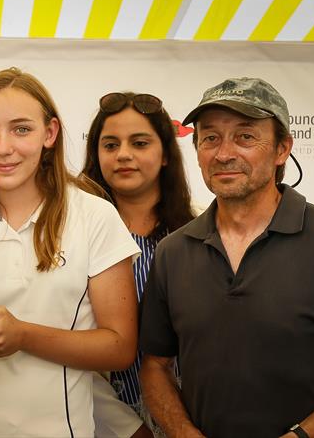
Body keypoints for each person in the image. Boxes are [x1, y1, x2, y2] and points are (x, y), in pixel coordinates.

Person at [0, 68, 140, 437]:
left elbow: (118, 347)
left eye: (21, 129)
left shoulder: (94, 216)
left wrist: (22, 335)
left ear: (49, 133)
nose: (3, 147)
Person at [139, 78, 314, 438]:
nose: (224, 153)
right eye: (210, 138)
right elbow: (155, 366)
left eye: (245, 137)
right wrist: (183, 433)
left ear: (282, 149)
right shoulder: (172, 252)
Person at [81, 92, 196, 437]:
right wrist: (126, 426)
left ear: (164, 154)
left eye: (140, 143)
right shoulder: (67, 237)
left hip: (188, 420)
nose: (124, 155)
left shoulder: (200, 234)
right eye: (111, 145)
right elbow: (67, 348)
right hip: (93, 419)